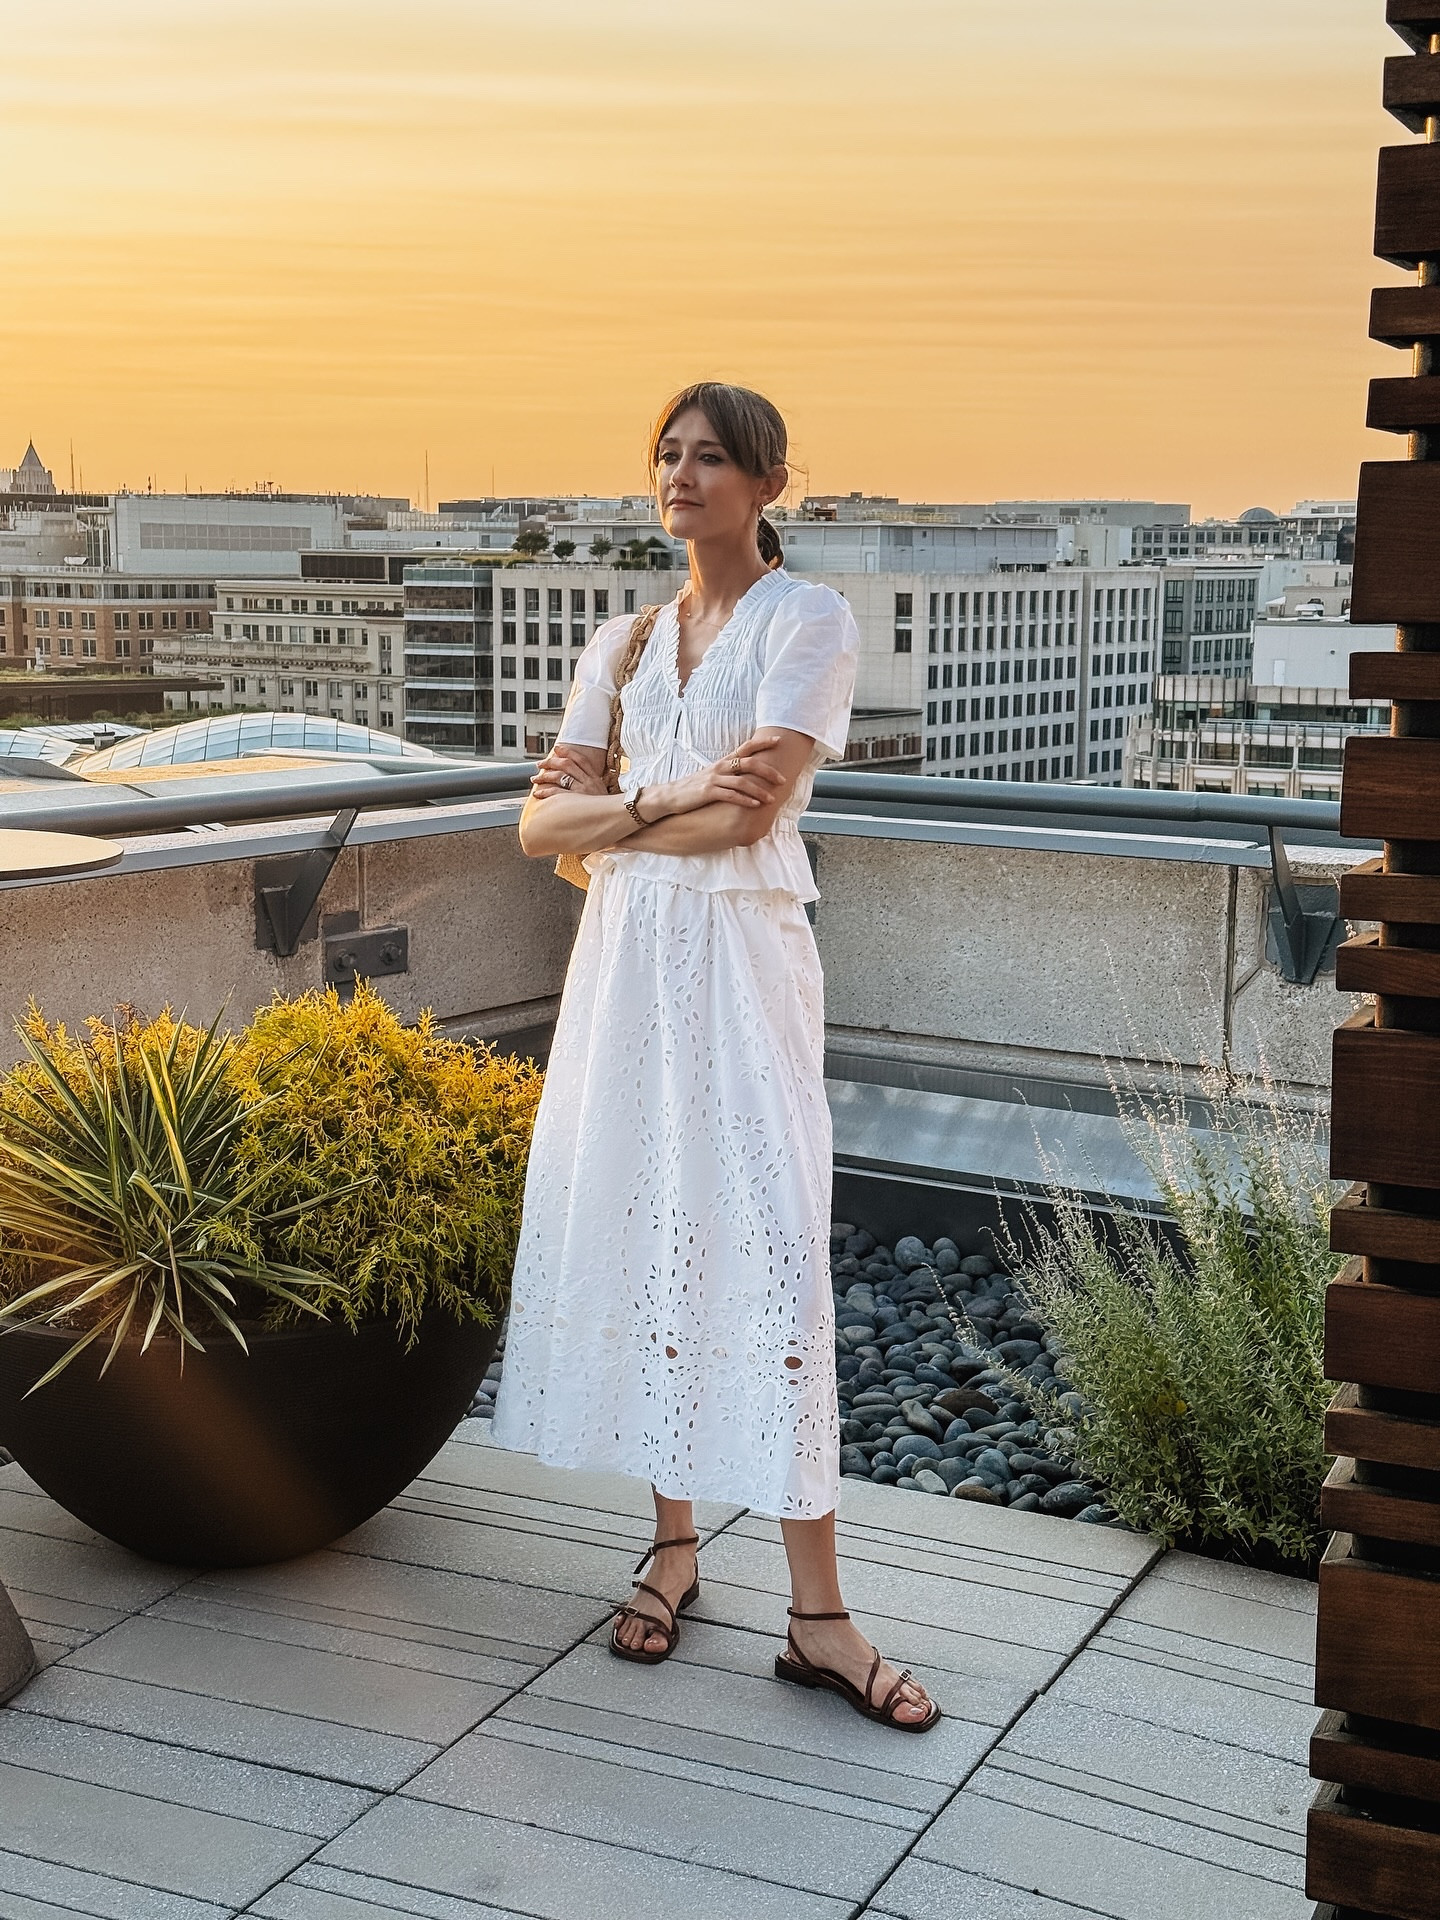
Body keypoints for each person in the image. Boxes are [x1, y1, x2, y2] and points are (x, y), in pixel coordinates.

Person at [492, 382, 939, 1731]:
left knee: (772, 1248)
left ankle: (821, 1615)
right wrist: (665, 797)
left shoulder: (808, 621)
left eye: (711, 459)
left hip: (740, 971)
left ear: (768, 483)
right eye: (667, 456)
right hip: (626, 972)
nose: (681, 477)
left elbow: (746, 827)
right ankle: (672, 1549)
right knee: (648, 1229)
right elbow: (531, 835)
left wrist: (618, 816)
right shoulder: (623, 642)